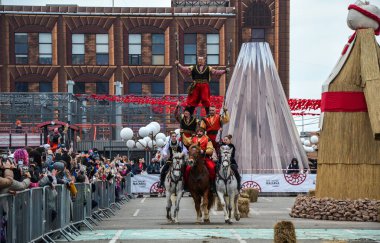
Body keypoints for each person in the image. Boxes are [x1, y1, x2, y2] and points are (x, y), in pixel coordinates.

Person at [186, 127, 216, 192]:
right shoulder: (193, 139)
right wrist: (182, 134)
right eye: (198, 131)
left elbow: (210, 149)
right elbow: (187, 143)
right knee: (187, 169)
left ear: (203, 132)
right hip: (194, 158)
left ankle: (213, 184)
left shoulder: (207, 139)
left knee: (212, 167)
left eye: (201, 131)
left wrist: (204, 151)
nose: (199, 132)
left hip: (204, 157)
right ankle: (186, 185)